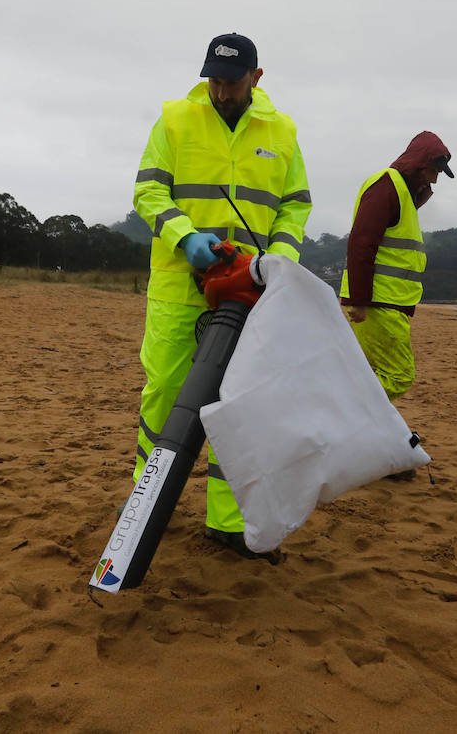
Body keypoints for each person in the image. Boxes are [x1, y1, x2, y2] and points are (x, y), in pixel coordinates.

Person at [131, 32, 312, 561]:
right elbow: (148, 190)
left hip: (249, 294)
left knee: (239, 407)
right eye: (213, 78)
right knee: (165, 396)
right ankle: (146, 505)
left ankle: (228, 523)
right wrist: (185, 236)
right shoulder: (174, 118)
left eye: (231, 81)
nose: (220, 89)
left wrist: (272, 263)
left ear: (256, 78)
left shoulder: (282, 131)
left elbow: (294, 207)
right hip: (178, 290)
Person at [340, 132, 453, 455]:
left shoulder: (402, 191)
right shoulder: (386, 186)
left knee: (372, 373)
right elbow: (361, 244)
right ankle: (344, 416)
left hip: (388, 302)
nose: (436, 179)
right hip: (378, 303)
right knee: (399, 375)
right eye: (434, 171)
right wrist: (359, 300)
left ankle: (363, 435)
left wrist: (421, 193)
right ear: (420, 165)